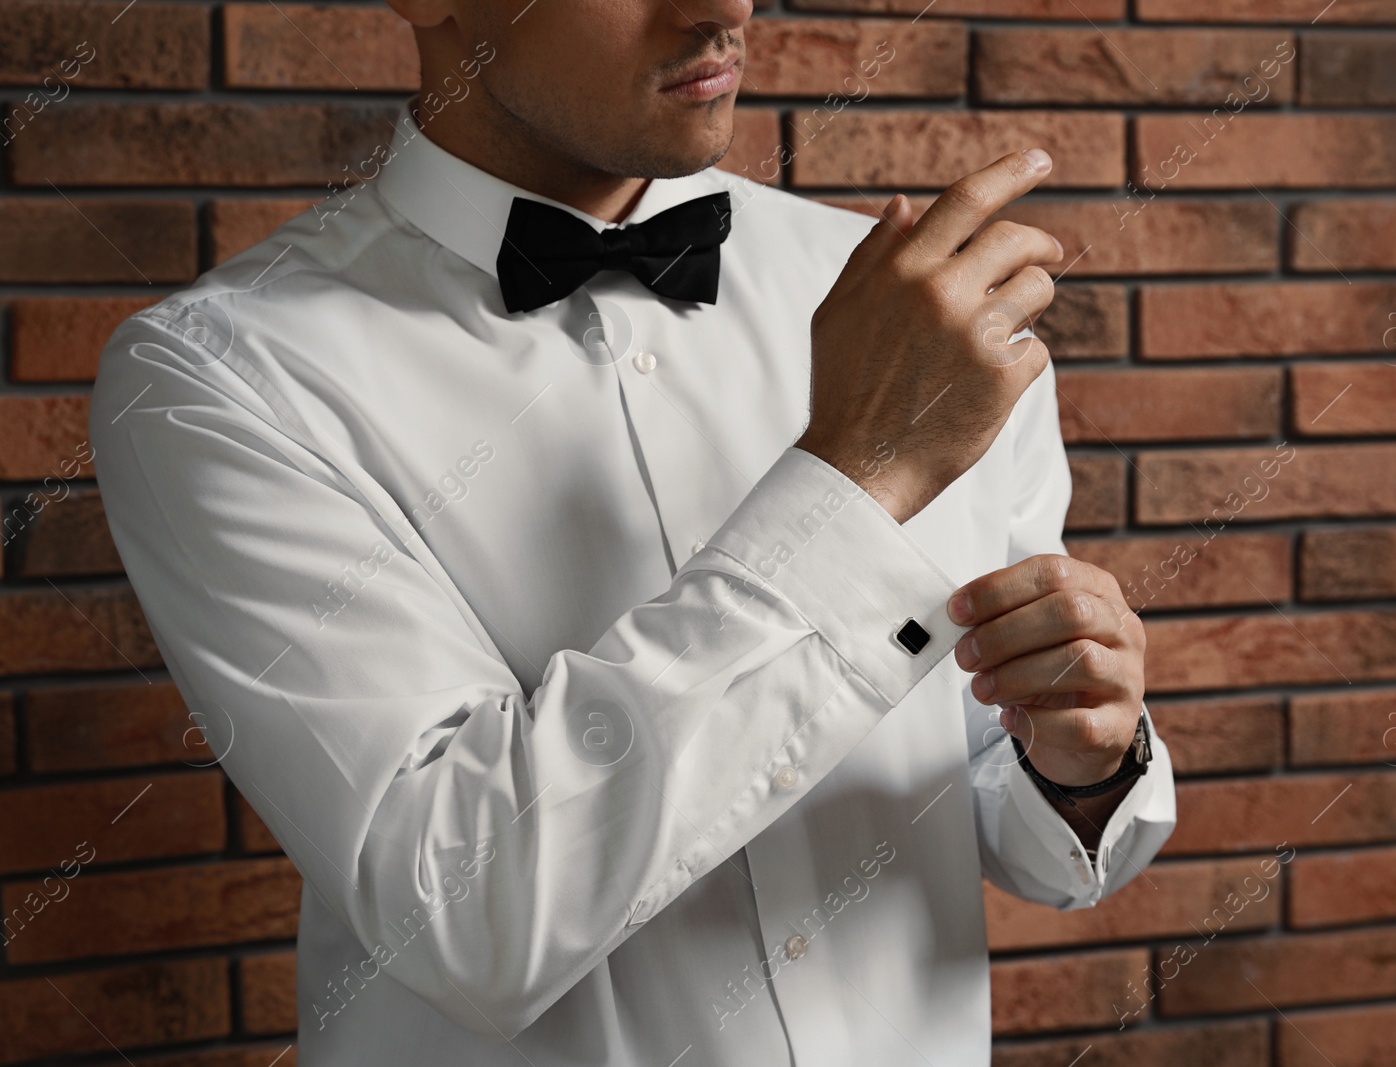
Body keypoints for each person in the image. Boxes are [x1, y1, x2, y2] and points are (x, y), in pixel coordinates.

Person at [89, 0, 1176, 1063]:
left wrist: (1079, 765)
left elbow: (1001, 801)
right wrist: (858, 475)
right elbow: (468, 916)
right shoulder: (220, 381)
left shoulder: (917, 309)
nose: (721, 9)